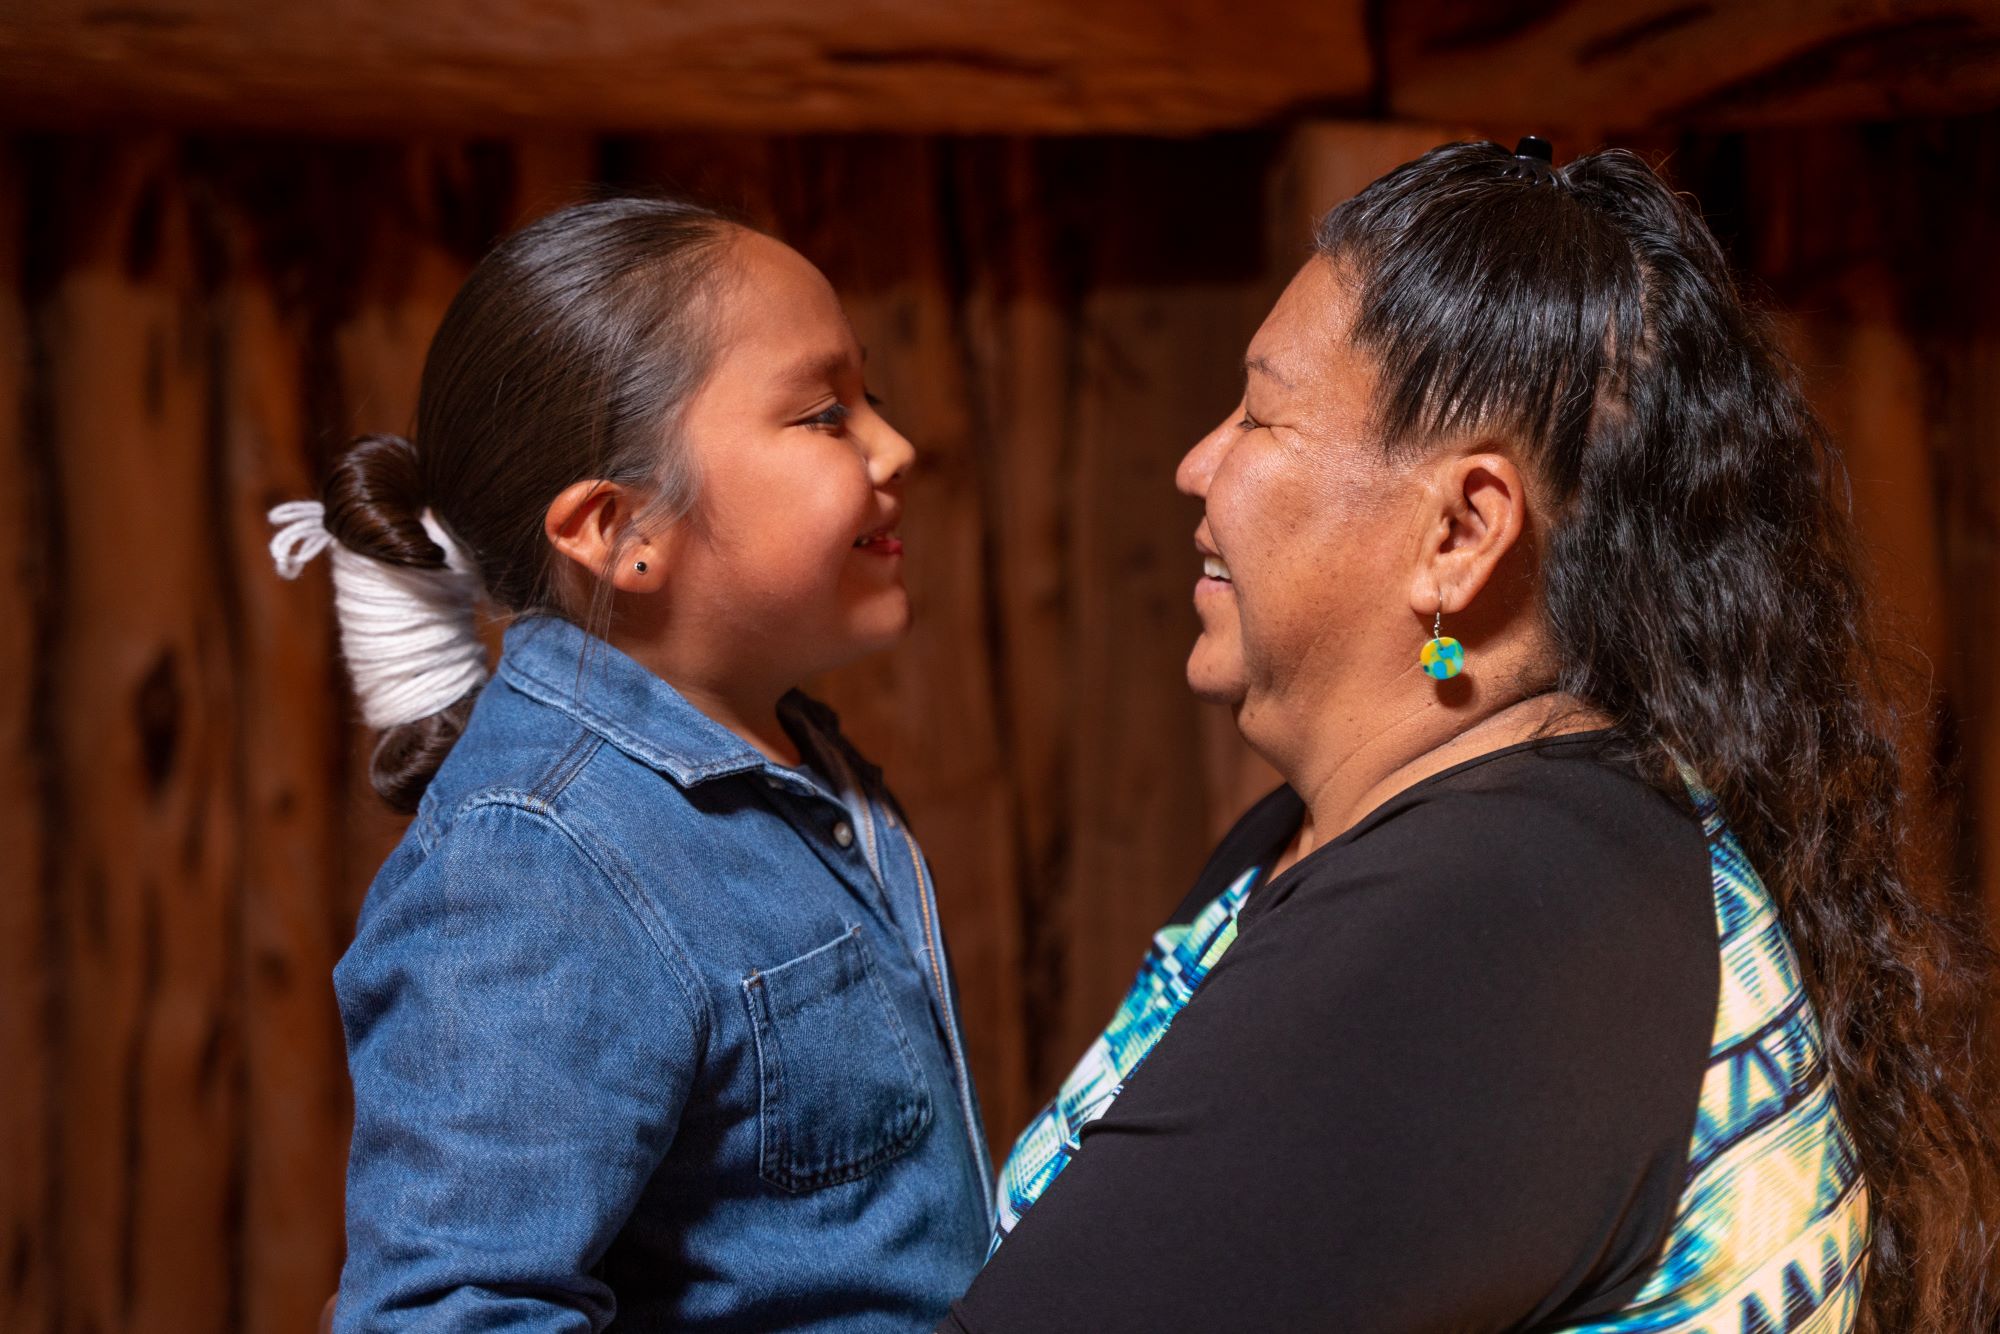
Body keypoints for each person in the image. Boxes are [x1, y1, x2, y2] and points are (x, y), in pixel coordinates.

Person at [946, 140, 1999, 1332]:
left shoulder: (1485, 918)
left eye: (1259, 415)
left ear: (1459, 531)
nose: (1197, 464)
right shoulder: (1406, 837)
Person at [268, 197, 991, 1331]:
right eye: (821, 413)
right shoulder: (534, 861)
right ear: (621, 529)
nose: (894, 446)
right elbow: (455, 1310)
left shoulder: (797, 765)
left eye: (873, 400)